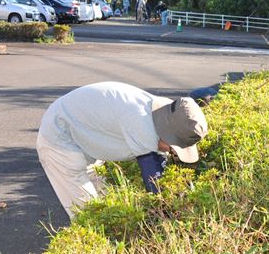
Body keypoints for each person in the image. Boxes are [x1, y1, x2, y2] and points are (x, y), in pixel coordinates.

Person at [37, 82, 208, 217]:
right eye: (172, 147)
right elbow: (156, 185)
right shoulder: (143, 127)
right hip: (59, 139)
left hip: (83, 131)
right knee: (89, 214)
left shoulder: (163, 111)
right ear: (166, 132)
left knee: (105, 204)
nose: (171, 152)